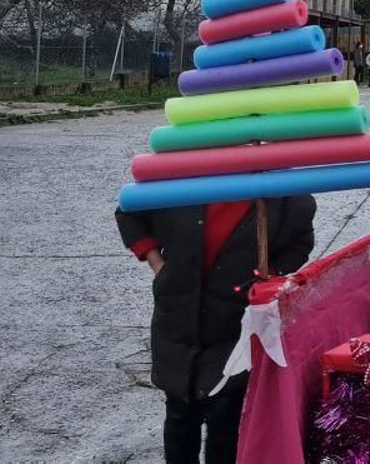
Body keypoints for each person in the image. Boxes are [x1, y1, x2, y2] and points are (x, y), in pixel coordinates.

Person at [116, 195, 316, 462]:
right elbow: (128, 210)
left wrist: (267, 274)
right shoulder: (179, 177)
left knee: (226, 416)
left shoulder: (283, 195)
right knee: (180, 412)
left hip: (235, 322)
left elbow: (300, 242)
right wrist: (157, 264)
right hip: (180, 317)